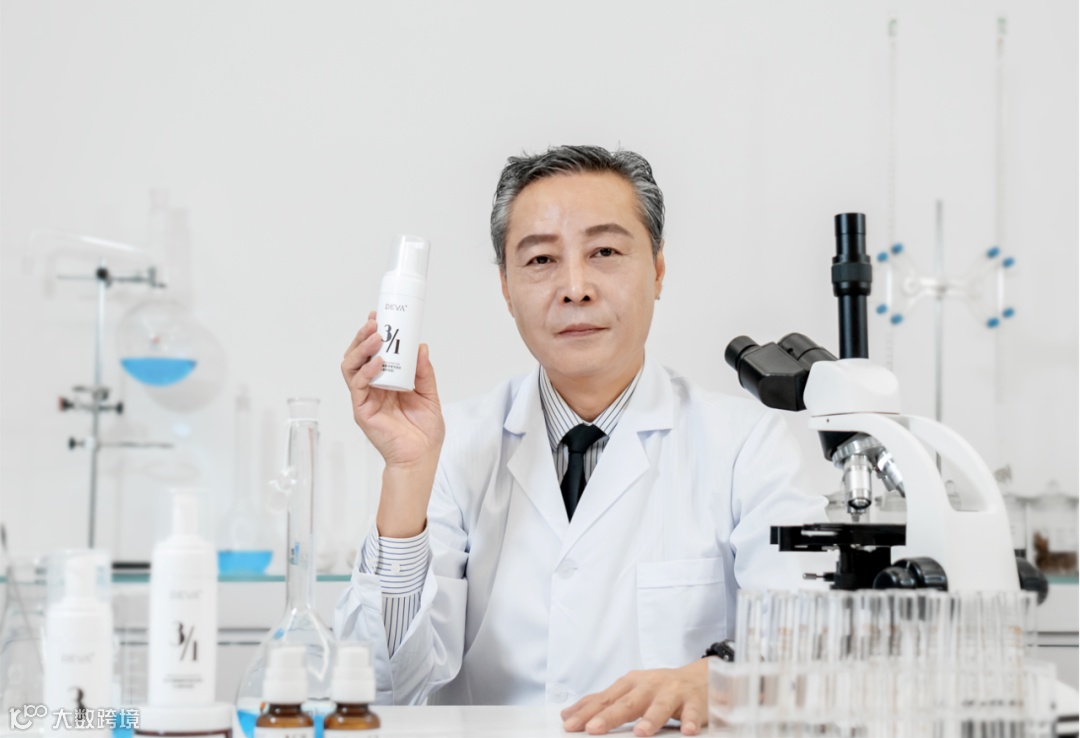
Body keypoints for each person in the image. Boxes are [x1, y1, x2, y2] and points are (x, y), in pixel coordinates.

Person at [335, 145, 825, 736]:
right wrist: (407, 475)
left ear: (658, 271)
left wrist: (721, 676)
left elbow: (811, 640)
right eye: (541, 259)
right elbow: (385, 686)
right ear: (506, 288)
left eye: (605, 252)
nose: (575, 287)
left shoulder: (745, 446)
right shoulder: (452, 445)